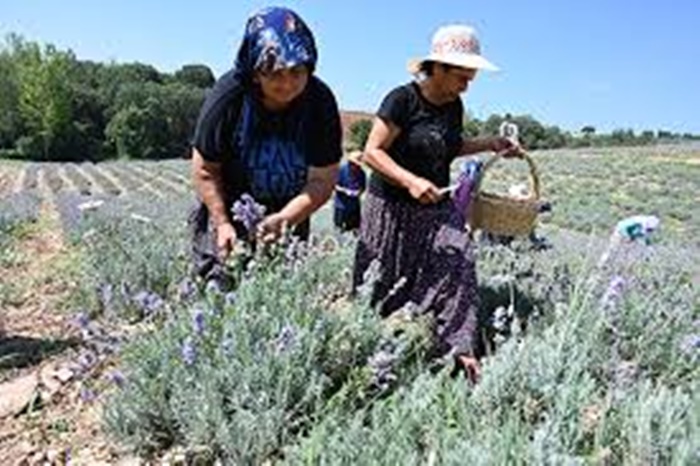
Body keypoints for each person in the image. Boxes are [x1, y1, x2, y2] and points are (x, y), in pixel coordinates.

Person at [352, 24, 521, 382]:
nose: (467, 84)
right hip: (391, 208)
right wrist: (410, 181)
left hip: (435, 209)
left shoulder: (454, 106)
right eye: (462, 76)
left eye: (471, 77)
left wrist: (492, 143)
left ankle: (458, 349)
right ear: (438, 68)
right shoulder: (402, 100)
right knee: (384, 285)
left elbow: (449, 146)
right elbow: (372, 152)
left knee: (460, 260)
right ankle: (383, 355)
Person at [189, 7, 343, 285]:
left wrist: (286, 218)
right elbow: (205, 169)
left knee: (278, 297)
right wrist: (222, 223)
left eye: (297, 72)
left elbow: (323, 179)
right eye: (274, 73)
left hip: (288, 215)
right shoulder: (230, 96)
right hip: (227, 209)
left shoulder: (320, 102)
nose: (287, 84)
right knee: (218, 291)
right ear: (255, 71)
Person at [333, 151, 367, 232]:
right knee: (339, 229)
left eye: (357, 165)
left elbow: (363, 187)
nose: (355, 167)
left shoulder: (362, 173)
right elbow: (334, 185)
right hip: (341, 206)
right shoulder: (341, 170)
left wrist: (359, 192)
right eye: (353, 164)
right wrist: (345, 191)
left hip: (354, 206)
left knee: (355, 229)